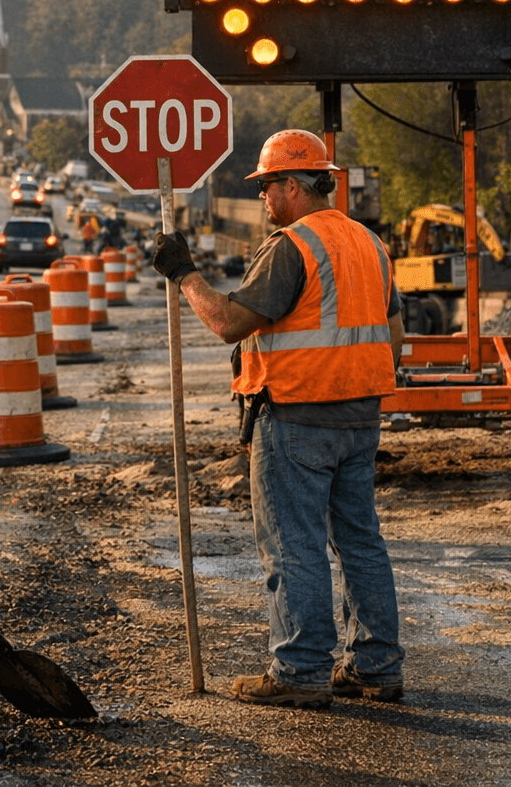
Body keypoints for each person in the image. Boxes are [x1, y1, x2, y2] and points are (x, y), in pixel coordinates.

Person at [151, 129, 406, 710]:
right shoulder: (370, 243)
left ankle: (300, 670)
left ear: (294, 184)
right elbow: (392, 333)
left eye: (267, 185)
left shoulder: (293, 245)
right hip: (360, 415)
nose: (263, 197)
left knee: (294, 545)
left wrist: (185, 274)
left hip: (296, 416)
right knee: (360, 540)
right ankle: (376, 667)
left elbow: (229, 323)